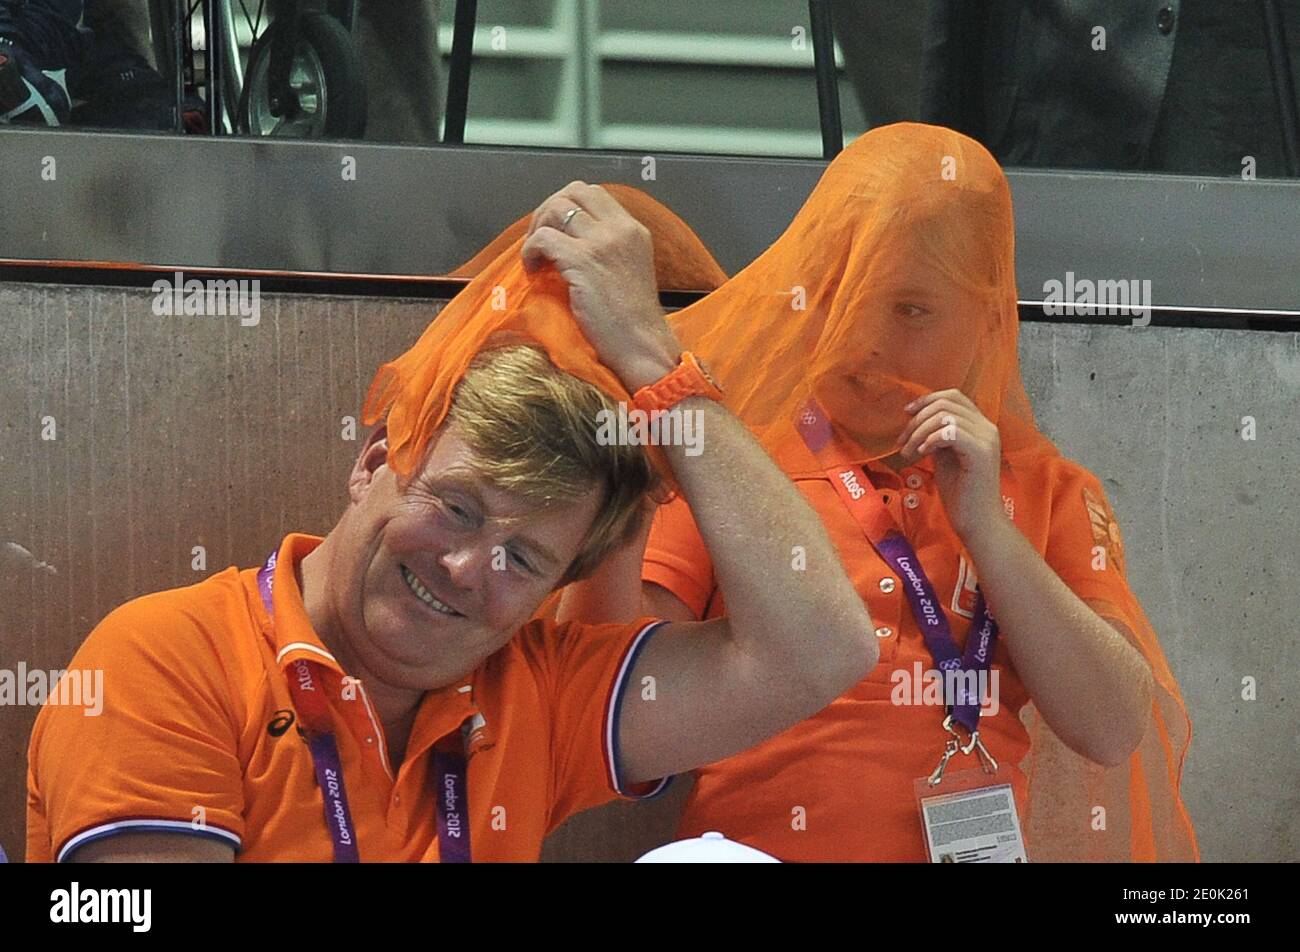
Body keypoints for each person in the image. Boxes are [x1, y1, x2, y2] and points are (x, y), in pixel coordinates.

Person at [25, 181, 877, 862]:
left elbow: (823, 648)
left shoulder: (533, 684)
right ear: (370, 465)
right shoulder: (165, 660)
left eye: (525, 558)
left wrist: (658, 370)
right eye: (456, 507)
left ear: (558, 588)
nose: (470, 570)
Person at [558, 123, 1199, 862]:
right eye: (839, 295)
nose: (862, 339)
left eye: (911, 309)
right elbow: (609, 696)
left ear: (989, 318)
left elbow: (1114, 725)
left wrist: (988, 529)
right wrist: (626, 489)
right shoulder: (733, 461)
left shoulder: (1044, 487)